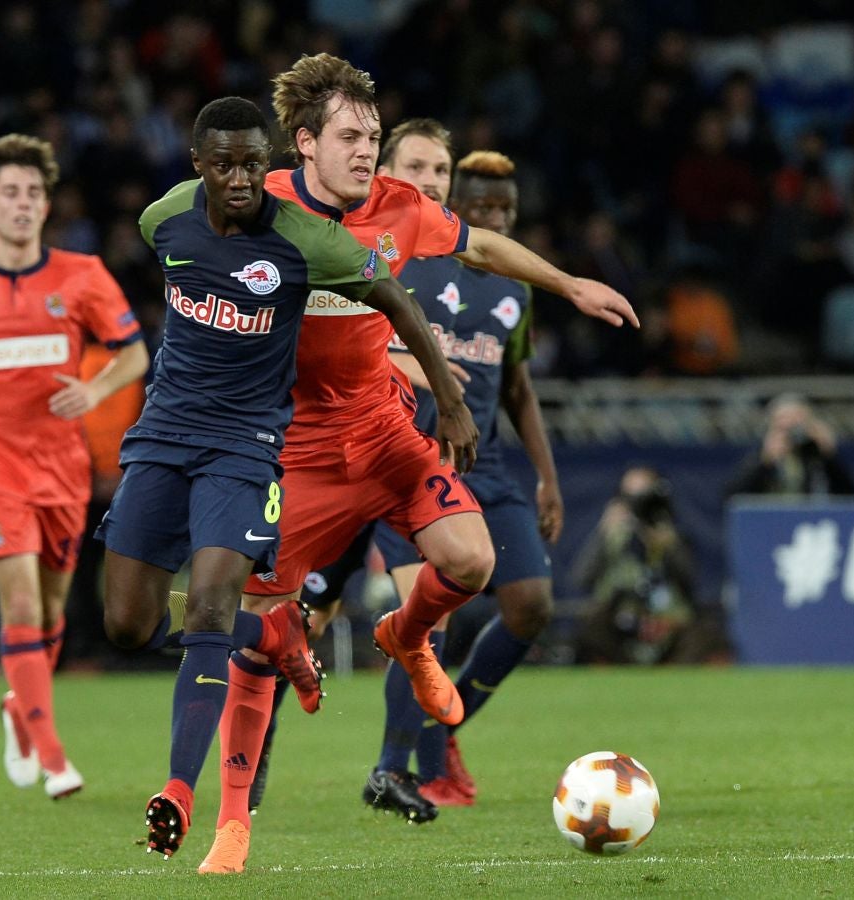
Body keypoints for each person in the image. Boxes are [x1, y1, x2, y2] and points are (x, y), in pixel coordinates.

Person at [201, 53, 637, 874]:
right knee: (256, 642)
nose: (367, 150)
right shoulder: (262, 208)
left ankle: (406, 634)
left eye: (373, 135)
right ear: (304, 144)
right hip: (293, 453)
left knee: (473, 561)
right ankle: (232, 825)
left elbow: (484, 250)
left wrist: (570, 282)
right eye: (351, 136)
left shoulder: (402, 209)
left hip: (385, 435)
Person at [94, 97, 478, 862]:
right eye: (223, 164)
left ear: (268, 161)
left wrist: (452, 397)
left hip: (248, 447)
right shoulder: (164, 219)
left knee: (208, 601)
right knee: (127, 626)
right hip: (163, 438)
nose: (240, 179)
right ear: (198, 164)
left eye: (251, 164)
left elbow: (396, 296)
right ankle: (272, 630)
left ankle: (180, 792)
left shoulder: (306, 239)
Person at [0, 133, 150, 800]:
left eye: (33, 194)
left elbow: (133, 353)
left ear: (47, 207)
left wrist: (96, 392)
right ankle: (53, 755)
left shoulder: (82, 277)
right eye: (9, 194)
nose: (22, 204)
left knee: (50, 615)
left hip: (63, 469)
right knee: (17, 604)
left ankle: (19, 711)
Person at [366, 129, 564, 811]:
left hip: (487, 464)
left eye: (506, 211)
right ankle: (396, 766)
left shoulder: (516, 290)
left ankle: (440, 734)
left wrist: (548, 477)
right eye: (484, 207)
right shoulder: (401, 255)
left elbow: (517, 389)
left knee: (532, 604)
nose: (495, 220)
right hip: (406, 460)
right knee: (427, 615)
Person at [572, 465, 729, 664]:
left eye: (644, 497)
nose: (638, 506)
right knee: (592, 624)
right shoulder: (613, 536)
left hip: (667, 623)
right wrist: (602, 534)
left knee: (703, 632)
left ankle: (675, 681)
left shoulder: (671, 535)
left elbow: (691, 581)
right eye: (630, 497)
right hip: (622, 623)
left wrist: (670, 546)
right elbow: (581, 578)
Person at [728, 392, 854, 497]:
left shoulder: (816, 455)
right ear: (771, 425)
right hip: (771, 523)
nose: (791, 429)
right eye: (784, 420)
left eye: (797, 421)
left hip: (811, 524)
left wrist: (829, 456)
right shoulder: (759, 454)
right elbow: (732, 497)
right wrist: (765, 462)